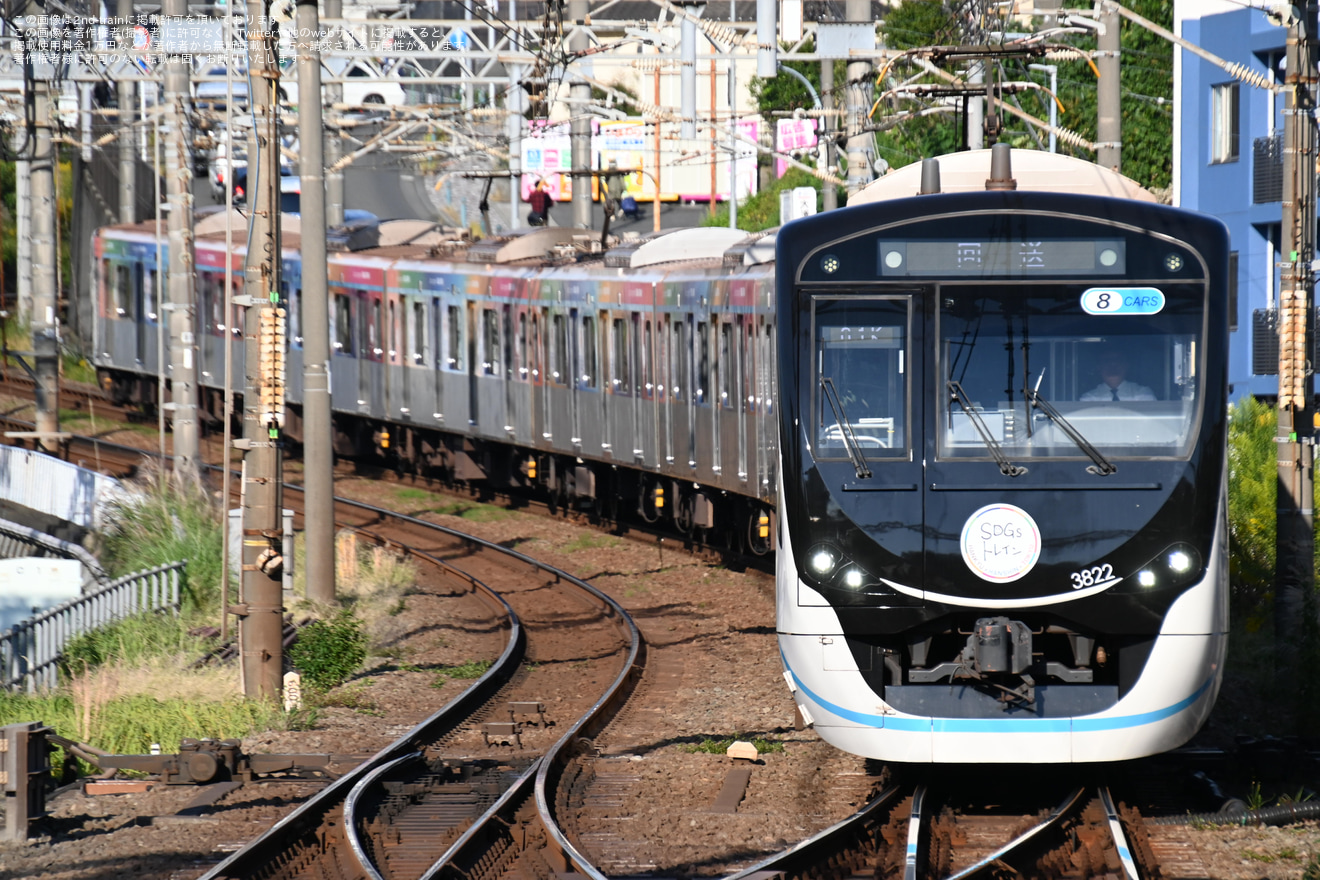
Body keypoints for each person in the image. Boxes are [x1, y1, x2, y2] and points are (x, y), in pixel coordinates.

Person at [1080, 350, 1155, 401]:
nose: (1113, 365)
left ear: (1126, 366)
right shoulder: (1089, 398)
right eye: (1107, 361)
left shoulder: (1143, 393)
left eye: (1118, 360)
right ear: (1099, 367)